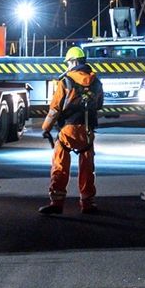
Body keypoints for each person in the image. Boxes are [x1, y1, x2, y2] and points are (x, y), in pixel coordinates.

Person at [39, 46, 103, 214]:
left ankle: (57, 203)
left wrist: (46, 128)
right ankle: (88, 203)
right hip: (88, 131)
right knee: (88, 167)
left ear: (73, 62)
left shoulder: (65, 81)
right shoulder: (96, 81)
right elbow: (100, 104)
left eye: (68, 63)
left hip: (68, 129)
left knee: (60, 165)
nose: (67, 66)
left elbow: (55, 109)